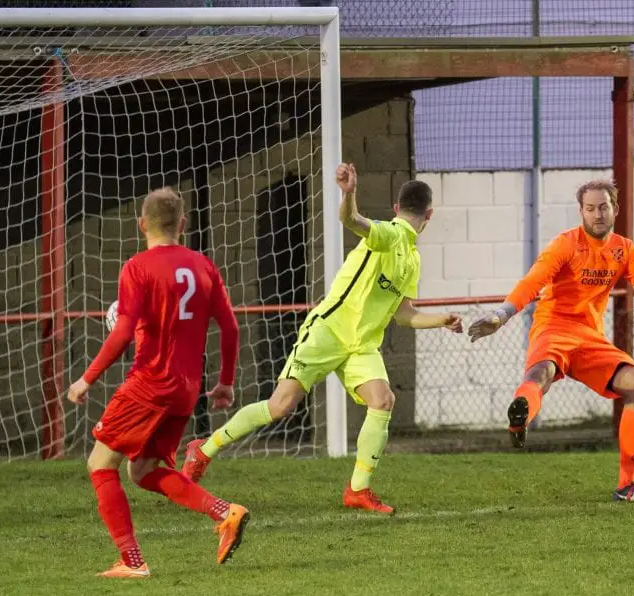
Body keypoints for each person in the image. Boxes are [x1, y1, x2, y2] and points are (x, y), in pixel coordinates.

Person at [181, 164, 462, 515]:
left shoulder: (412, 259)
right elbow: (353, 221)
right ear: (429, 214)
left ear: (395, 205)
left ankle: (358, 490)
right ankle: (204, 449)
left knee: (382, 400)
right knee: (280, 406)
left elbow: (403, 313)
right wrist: (348, 194)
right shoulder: (391, 234)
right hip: (327, 332)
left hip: (360, 345)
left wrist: (441, 320)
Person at [468, 179, 634, 502]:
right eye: (589, 209)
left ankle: (626, 487)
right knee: (541, 374)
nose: (597, 215)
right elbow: (532, 283)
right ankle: (520, 416)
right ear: (581, 212)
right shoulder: (564, 245)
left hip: (590, 338)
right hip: (553, 328)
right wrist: (500, 315)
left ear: (615, 209)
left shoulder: (624, 250)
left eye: (603, 207)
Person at [66, 187, 248, 578]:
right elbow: (230, 327)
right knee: (143, 471)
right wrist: (226, 382)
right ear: (183, 224)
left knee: (100, 463)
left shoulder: (138, 267)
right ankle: (225, 512)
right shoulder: (203, 266)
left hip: (149, 382)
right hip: (186, 389)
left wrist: (86, 378)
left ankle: (132, 562)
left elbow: (122, 333)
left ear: (141, 225)